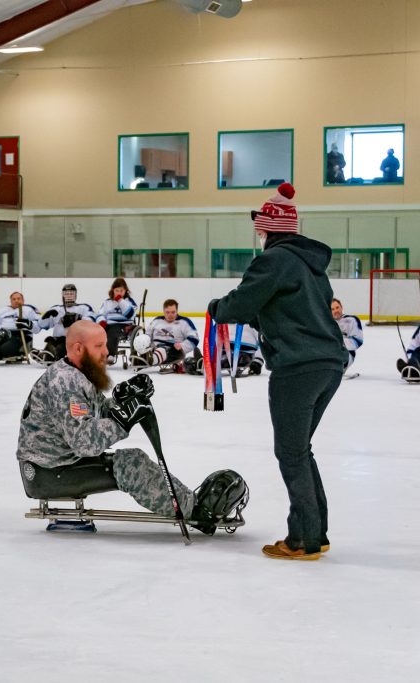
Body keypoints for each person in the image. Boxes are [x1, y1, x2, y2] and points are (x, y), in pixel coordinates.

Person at [207, 182, 347, 561]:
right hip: (328, 362)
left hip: (298, 366)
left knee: (291, 453)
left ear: (268, 228)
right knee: (300, 450)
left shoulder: (274, 260)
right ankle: (315, 531)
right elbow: (279, 308)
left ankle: (304, 540)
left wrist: (218, 307)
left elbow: (242, 302)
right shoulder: (308, 265)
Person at [16, 320, 237, 534]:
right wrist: (123, 419)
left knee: (132, 459)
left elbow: (99, 412)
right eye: (99, 346)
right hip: (48, 473)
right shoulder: (65, 382)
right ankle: (196, 511)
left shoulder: (76, 373)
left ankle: (189, 503)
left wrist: (124, 399)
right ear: (78, 348)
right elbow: (85, 443)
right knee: (131, 465)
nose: (106, 353)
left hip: (60, 463)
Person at [131, 299, 199, 373]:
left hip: (174, 350)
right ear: (163, 311)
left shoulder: (184, 322)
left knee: (161, 350)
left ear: (177, 311)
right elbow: (148, 335)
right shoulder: (157, 321)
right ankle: (142, 357)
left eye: (173, 312)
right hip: (155, 348)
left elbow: (194, 338)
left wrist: (182, 345)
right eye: (167, 312)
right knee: (141, 339)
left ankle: (147, 360)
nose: (170, 315)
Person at [36, 283, 96, 364]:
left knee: (61, 347)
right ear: (62, 295)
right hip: (57, 338)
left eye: (71, 293)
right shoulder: (56, 309)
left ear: (76, 295)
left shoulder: (83, 308)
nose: (69, 296)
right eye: (66, 294)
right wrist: (44, 317)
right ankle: (46, 355)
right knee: (51, 341)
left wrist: (76, 319)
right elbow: (41, 325)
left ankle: (51, 357)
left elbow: (91, 320)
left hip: (74, 340)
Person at [0, 292, 40, 363]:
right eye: (14, 299)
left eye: (19, 299)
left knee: (5, 347)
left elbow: (37, 328)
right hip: (3, 334)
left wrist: (27, 324)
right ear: (10, 301)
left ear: (23, 300)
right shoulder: (2, 311)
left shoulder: (29, 310)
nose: (16, 301)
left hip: (20, 336)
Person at [97, 277, 138, 363]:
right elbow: (100, 314)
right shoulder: (107, 302)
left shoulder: (129, 302)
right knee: (97, 333)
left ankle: (110, 355)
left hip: (124, 325)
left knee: (113, 332)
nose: (119, 293)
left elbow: (130, 314)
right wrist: (102, 321)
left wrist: (120, 301)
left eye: (121, 291)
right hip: (108, 324)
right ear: (113, 290)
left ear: (126, 290)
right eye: (117, 290)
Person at [331, 298, 364, 370]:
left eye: (337, 307)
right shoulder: (326, 323)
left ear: (341, 307)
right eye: (332, 309)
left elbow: (358, 340)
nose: (336, 311)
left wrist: (338, 343)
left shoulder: (351, 320)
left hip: (347, 354)